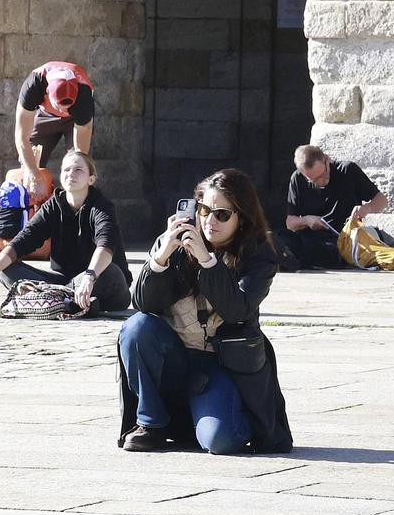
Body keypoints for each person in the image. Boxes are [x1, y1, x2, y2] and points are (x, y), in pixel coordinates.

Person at [117, 168, 293, 454]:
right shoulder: (176, 240)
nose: (209, 221)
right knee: (137, 327)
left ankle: (235, 418)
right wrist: (160, 258)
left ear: (242, 218)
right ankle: (151, 423)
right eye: (204, 209)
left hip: (220, 363)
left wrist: (207, 261)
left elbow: (237, 309)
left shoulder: (259, 256)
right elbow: (141, 303)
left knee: (220, 441)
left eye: (222, 214)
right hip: (173, 355)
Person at [0, 150, 131, 312]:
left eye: (78, 170)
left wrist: (89, 278)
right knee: (5, 270)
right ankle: (64, 300)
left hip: (96, 279)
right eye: (66, 170)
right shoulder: (53, 206)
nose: (71, 174)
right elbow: (23, 241)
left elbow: (106, 244)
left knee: (111, 272)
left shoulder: (102, 206)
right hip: (62, 281)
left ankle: (54, 299)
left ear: (91, 179)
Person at [278, 145, 388, 270]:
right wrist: (307, 220)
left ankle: (296, 259)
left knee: (323, 251)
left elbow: (382, 200)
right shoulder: (297, 178)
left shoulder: (347, 170)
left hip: (342, 239)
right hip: (310, 237)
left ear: (327, 160)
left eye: (322, 174)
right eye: (313, 180)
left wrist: (367, 208)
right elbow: (290, 223)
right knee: (281, 236)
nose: (320, 181)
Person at [14, 61, 95, 199]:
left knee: (79, 171)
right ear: (47, 92)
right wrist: (34, 174)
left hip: (75, 120)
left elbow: (80, 154)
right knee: (30, 166)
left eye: (68, 104)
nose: (63, 109)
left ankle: (75, 211)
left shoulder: (83, 95)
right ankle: (32, 212)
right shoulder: (34, 84)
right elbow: (22, 138)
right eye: (60, 104)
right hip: (45, 115)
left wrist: (73, 184)